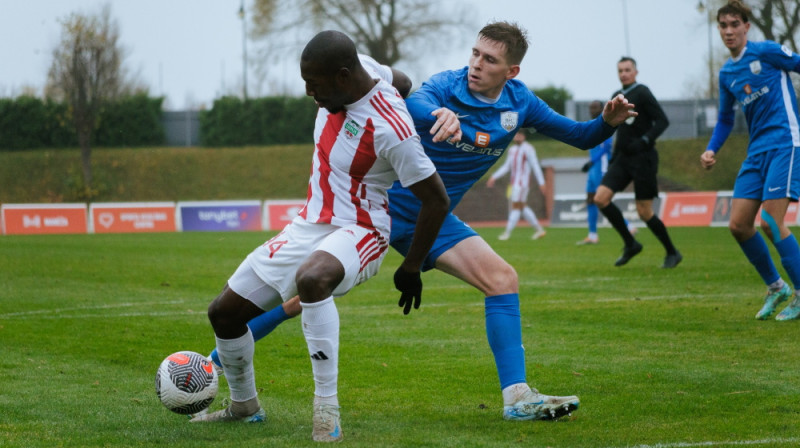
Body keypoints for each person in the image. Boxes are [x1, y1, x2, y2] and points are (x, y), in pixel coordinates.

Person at [209, 21, 636, 423]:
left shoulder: (520, 102)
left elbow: (580, 136)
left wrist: (607, 122)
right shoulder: (446, 86)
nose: (476, 64)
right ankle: (212, 363)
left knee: (502, 279)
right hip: (385, 211)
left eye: (489, 60)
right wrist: (438, 115)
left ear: (512, 70)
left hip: (435, 216)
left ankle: (517, 398)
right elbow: (413, 100)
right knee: (303, 294)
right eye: (474, 53)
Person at [192, 30, 450, 444]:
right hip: (308, 224)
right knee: (223, 313)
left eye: (315, 84)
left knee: (312, 279)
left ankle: (326, 412)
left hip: (363, 229)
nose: (309, 93)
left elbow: (436, 200)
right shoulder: (364, 67)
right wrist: (406, 90)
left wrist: (413, 265)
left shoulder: (392, 129)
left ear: (344, 77)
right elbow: (400, 80)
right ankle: (244, 407)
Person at [701, 0, 800, 321]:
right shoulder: (727, 72)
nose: (729, 31)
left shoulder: (767, 51)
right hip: (756, 151)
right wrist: (712, 149)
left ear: (746, 26)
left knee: (770, 222)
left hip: (786, 141)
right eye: (723, 26)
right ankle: (777, 287)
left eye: (734, 24)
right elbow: (726, 120)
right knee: (739, 225)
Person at [592, 56, 682, 268]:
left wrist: (645, 140)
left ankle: (672, 252)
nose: (623, 73)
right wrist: (614, 154)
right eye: (620, 70)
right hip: (623, 158)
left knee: (644, 211)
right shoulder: (616, 96)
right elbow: (616, 127)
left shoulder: (642, 92)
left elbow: (662, 120)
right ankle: (631, 243)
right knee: (600, 198)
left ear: (635, 72)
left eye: (627, 70)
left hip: (643, 157)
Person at [578, 100, 637, 245]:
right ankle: (592, 235)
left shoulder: (606, 124)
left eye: (595, 107)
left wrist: (593, 162)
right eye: (591, 108)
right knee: (590, 199)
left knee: (602, 200)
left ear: (601, 108)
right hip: (593, 169)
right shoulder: (592, 125)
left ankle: (628, 226)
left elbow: (606, 148)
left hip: (602, 168)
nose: (592, 110)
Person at [486, 129, 547, 240]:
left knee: (515, 207)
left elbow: (535, 166)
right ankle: (539, 230)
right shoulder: (512, 150)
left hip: (522, 183)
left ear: (524, 136)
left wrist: (541, 183)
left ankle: (507, 233)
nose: (517, 137)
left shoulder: (528, 149)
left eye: (519, 135)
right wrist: (494, 176)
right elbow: (507, 166)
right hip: (514, 183)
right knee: (522, 207)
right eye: (516, 135)